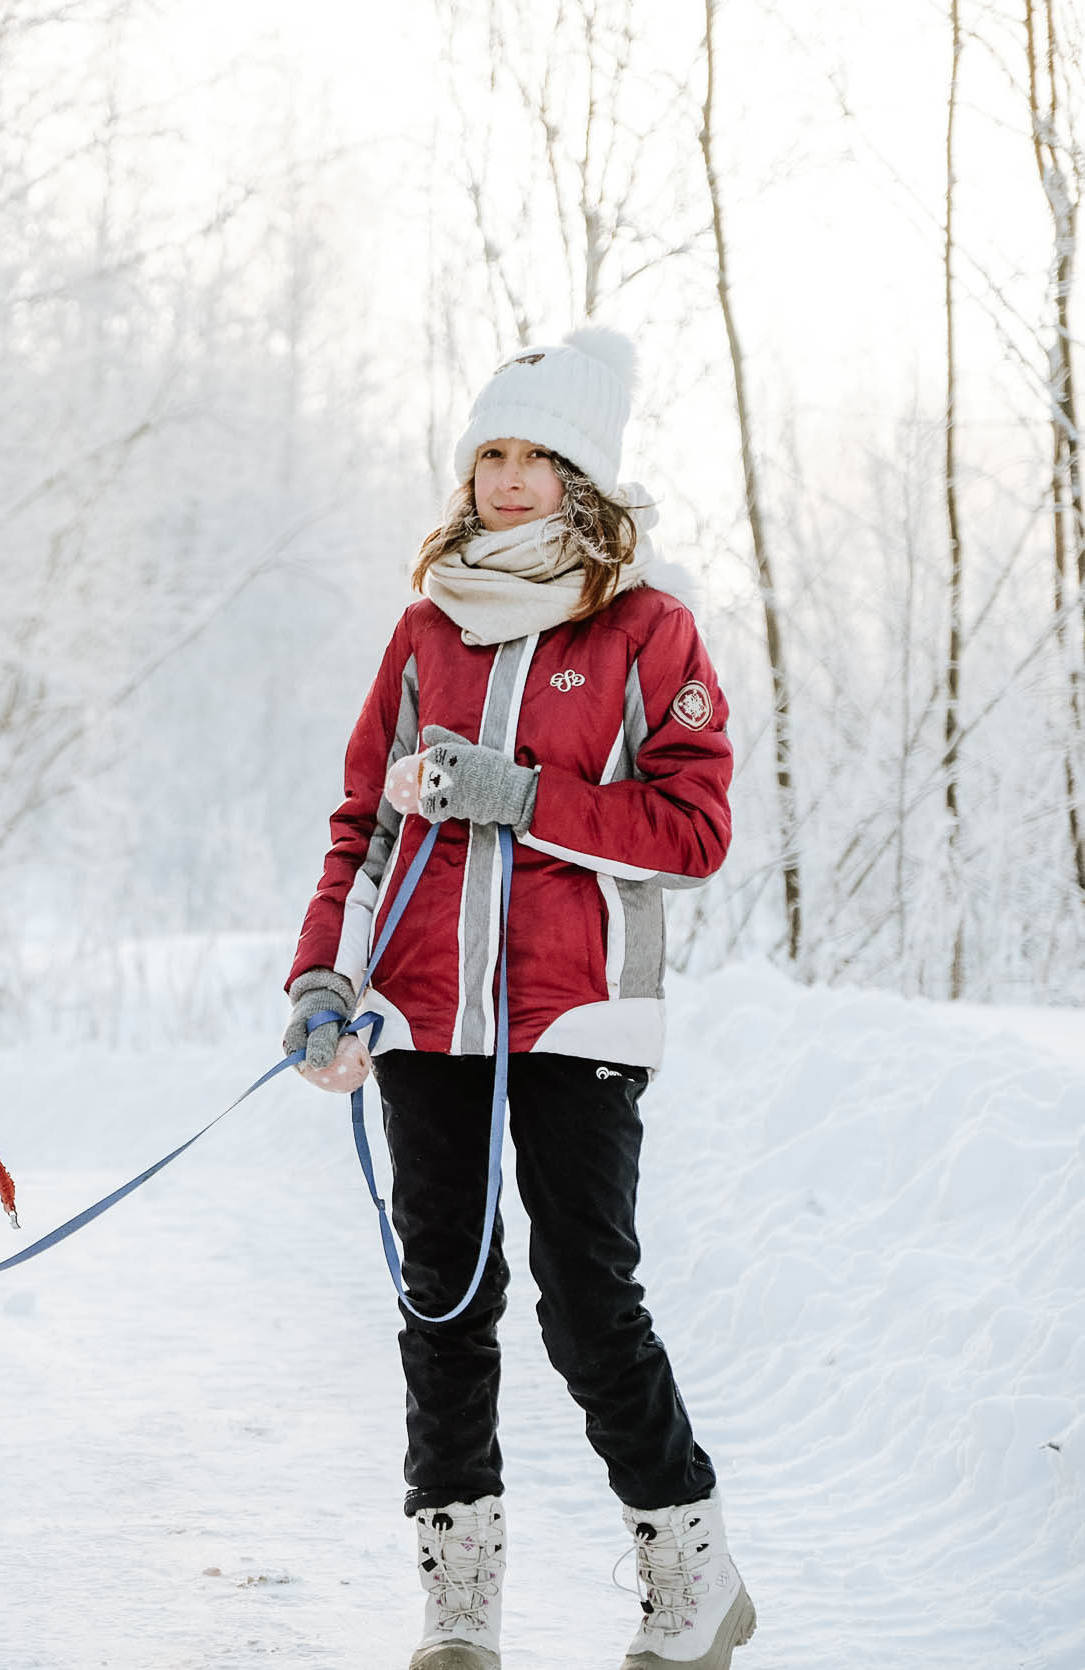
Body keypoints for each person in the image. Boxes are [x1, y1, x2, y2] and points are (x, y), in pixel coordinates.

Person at [280, 329, 756, 1670]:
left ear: (584, 477)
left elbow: (694, 828)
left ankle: (690, 1566)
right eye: (489, 452)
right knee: (445, 1294)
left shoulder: (649, 627)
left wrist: (524, 801)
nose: (505, 477)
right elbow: (361, 823)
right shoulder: (428, 626)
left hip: (578, 1017)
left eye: (535, 456)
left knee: (585, 1297)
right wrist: (327, 975)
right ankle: (460, 1605)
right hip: (426, 1015)